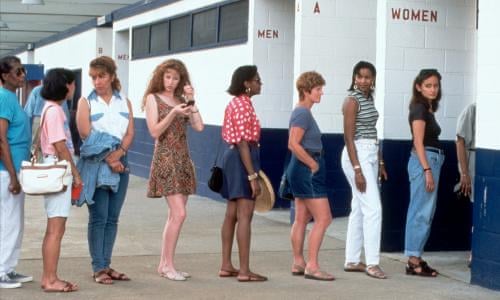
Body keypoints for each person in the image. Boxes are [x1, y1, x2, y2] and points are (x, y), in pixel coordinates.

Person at [143, 59, 204, 281]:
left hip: (183, 159)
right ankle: (168, 266)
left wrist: (191, 100)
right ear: (161, 76)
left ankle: (164, 263)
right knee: (179, 214)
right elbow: (154, 131)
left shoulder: (181, 100)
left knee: (174, 216)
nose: (171, 82)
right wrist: (173, 113)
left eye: (175, 78)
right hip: (166, 158)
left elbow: (199, 126)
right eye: (167, 77)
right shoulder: (153, 98)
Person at [76, 56, 134, 284]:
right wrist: (109, 157)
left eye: (101, 76)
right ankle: (98, 267)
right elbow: (84, 134)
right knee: (98, 217)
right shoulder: (86, 102)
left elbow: (130, 132)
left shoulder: (124, 102)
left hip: (121, 161)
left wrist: (118, 155)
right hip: (97, 162)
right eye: (93, 77)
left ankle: (107, 264)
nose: (97, 81)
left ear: (111, 76)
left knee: (113, 217)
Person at [219, 65, 267, 282]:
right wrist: (252, 176)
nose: (260, 83)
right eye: (257, 80)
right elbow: (243, 143)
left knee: (232, 213)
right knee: (245, 214)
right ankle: (245, 271)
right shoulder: (242, 106)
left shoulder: (239, 104)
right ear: (246, 84)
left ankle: (226, 265)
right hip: (242, 159)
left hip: (236, 158)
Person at [341, 61, 387, 279]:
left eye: (367, 77)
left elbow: (372, 131)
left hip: (369, 152)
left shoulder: (369, 98)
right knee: (374, 209)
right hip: (355, 154)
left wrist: (380, 162)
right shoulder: (352, 100)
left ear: (373, 79)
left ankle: (351, 260)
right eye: (359, 76)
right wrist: (358, 169)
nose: (363, 81)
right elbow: (349, 137)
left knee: (359, 208)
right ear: (354, 77)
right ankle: (372, 263)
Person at [287, 71, 334, 281]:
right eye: (318, 89)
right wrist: (313, 163)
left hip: (301, 168)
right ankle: (312, 266)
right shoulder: (303, 113)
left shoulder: (302, 112)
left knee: (301, 218)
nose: (321, 93)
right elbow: (293, 144)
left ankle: (298, 262)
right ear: (306, 91)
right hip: (307, 168)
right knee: (324, 218)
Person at [39, 68, 81, 292]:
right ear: (65, 85)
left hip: (54, 167)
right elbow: (60, 145)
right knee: (56, 228)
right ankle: (50, 279)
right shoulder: (55, 111)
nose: (74, 87)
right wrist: (75, 172)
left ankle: (49, 276)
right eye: (72, 83)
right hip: (57, 169)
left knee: (54, 228)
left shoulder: (51, 108)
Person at [404, 69, 444, 277]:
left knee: (425, 211)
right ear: (419, 86)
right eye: (428, 85)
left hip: (431, 160)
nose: (433, 89)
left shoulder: (427, 108)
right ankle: (413, 260)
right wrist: (427, 169)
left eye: (435, 85)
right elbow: (418, 142)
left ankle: (416, 257)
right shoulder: (419, 109)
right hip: (425, 162)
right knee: (420, 211)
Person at [0, 56, 33, 289]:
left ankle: (8, 268)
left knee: (15, 222)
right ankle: (2, 271)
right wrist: (12, 176)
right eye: (18, 71)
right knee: (8, 222)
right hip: (6, 172)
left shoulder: (13, 98)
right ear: (4, 75)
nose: (22, 75)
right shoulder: (4, 98)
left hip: (17, 169)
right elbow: (1, 140)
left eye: (23, 71)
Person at [455, 102, 476, 266]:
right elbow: (460, 141)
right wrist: (464, 172)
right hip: (475, 162)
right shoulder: (473, 109)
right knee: (477, 208)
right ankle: (474, 252)